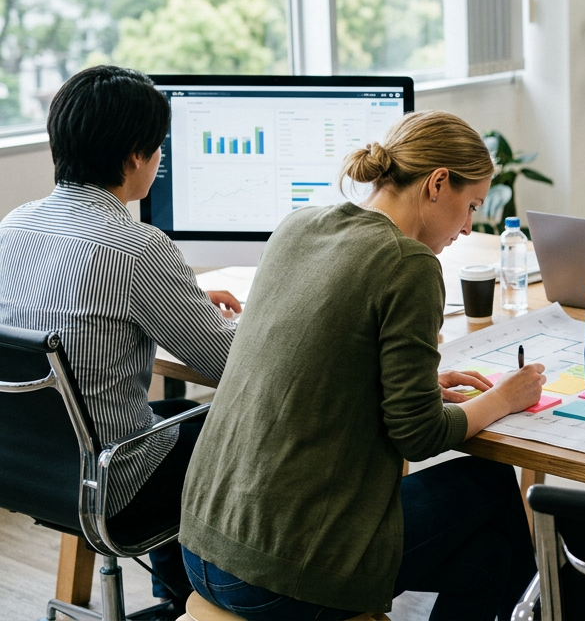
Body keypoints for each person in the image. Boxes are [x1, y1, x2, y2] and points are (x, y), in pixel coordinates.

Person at [179, 112, 546, 621]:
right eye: (470, 207)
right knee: (489, 488)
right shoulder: (410, 265)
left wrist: (410, 383)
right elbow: (418, 436)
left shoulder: (299, 224)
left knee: (488, 555)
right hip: (280, 573)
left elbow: (318, 359)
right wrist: (503, 397)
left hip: (199, 548)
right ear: (438, 184)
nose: (466, 227)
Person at [0, 65, 239, 612]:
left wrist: (184, 293)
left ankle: (173, 597)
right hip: (113, 488)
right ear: (135, 154)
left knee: (160, 419)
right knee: (235, 421)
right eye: (158, 148)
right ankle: (208, 604)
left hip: (25, 469)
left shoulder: (12, 227)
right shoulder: (136, 247)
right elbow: (230, 364)